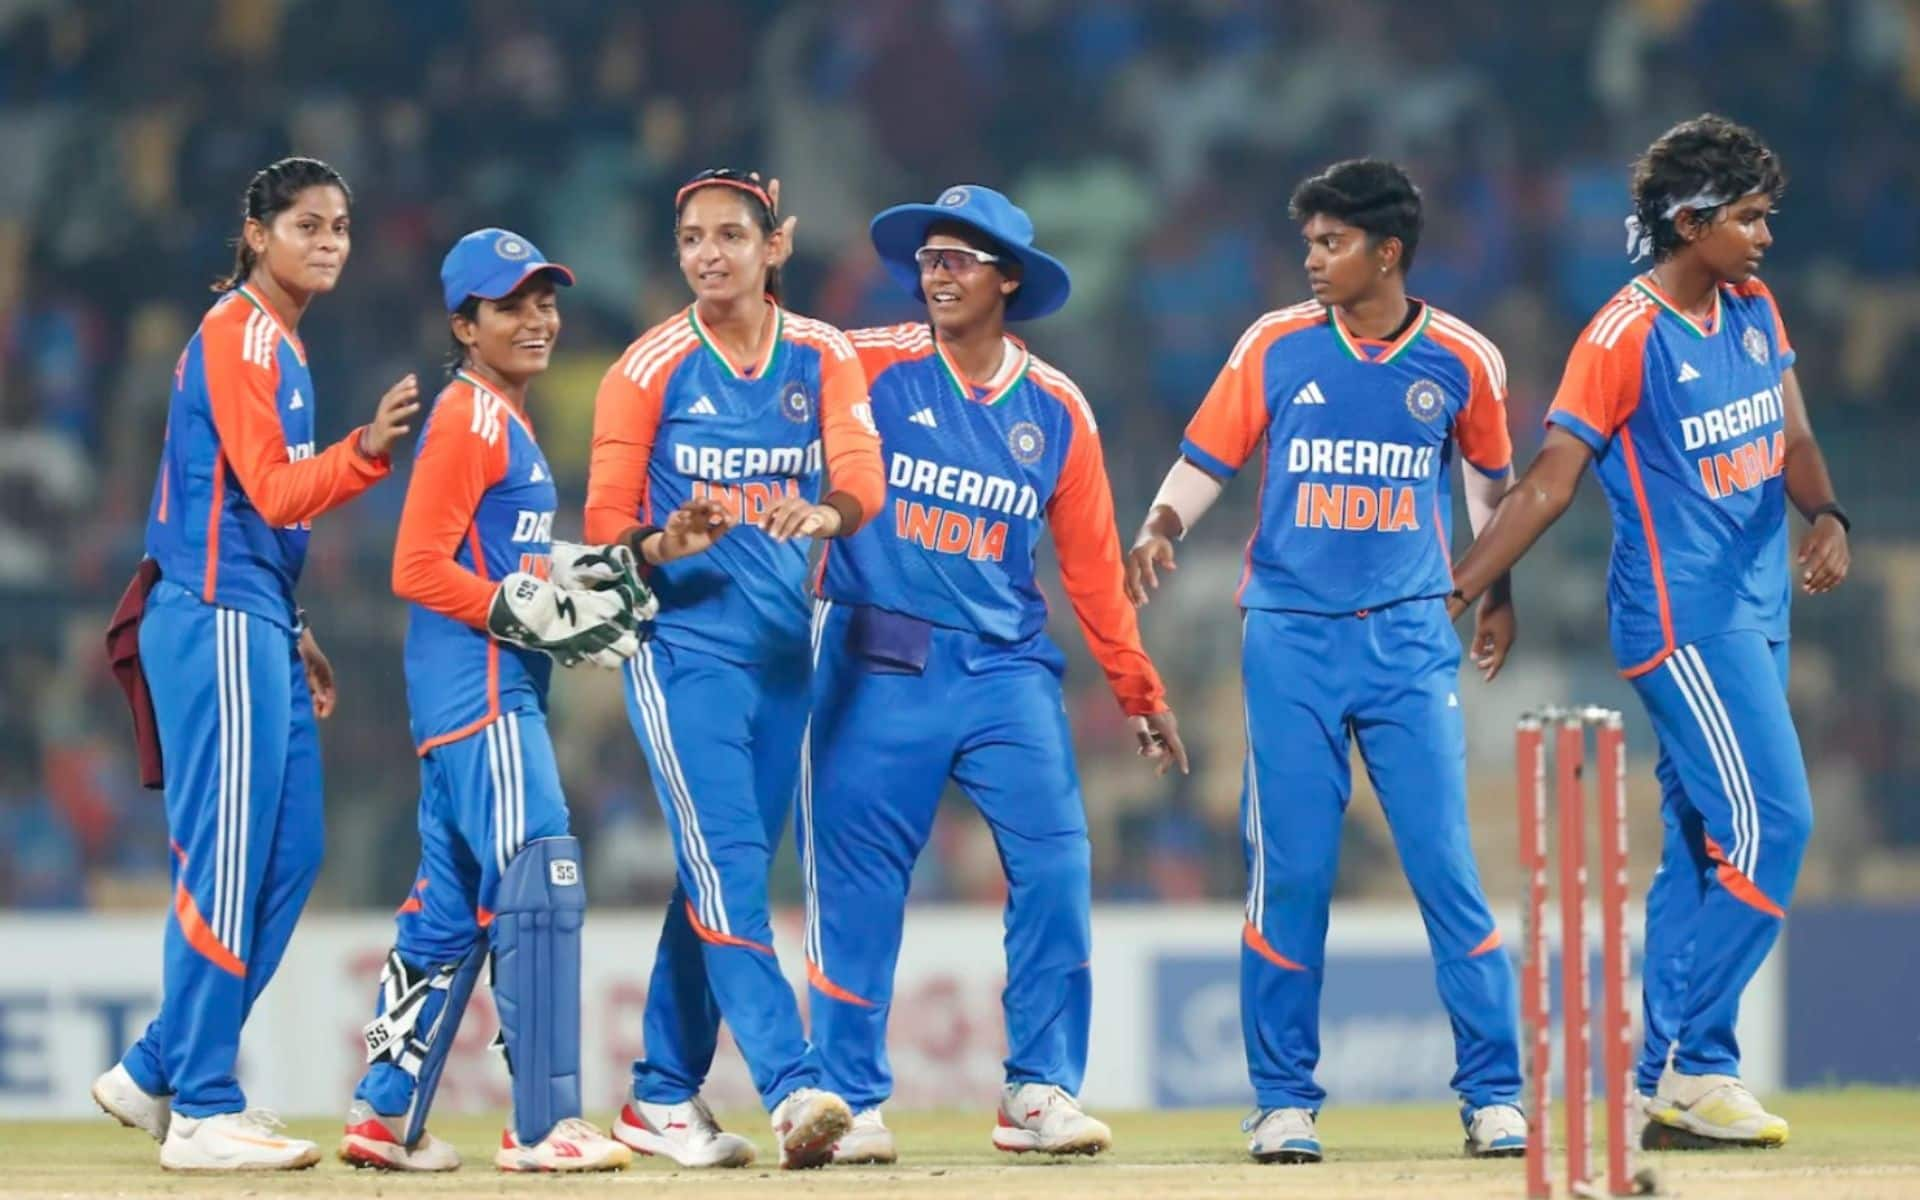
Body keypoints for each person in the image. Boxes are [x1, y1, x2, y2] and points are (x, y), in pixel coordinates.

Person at [1446, 114, 1848, 1148]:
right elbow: (1547, 487)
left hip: (1759, 612)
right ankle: (1693, 1061)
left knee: (1701, 851)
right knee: (1775, 826)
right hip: (1684, 622)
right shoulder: (1621, 336)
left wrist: (1829, 515)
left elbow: (1792, 435)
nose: (1764, 237)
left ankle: (1654, 1080)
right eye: (1750, 219)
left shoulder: (1754, 306)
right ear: (1690, 219)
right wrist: (1458, 588)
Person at [1126, 159, 1527, 1164]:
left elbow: (1495, 489)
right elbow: (1206, 459)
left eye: (1331, 242)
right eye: (1307, 241)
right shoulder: (1273, 344)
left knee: (1445, 866)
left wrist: (1496, 594)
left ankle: (1494, 1094)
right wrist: (1162, 523)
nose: (1311, 258)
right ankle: (1282, 1102)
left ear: (1387, 252)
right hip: (1290, 636)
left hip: (1406, 638)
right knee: (1291, 870)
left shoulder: (1466, 361)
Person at [805, 184, 1188, 1166]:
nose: (936, 273)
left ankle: (1038, 1093)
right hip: (878, 653)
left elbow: (1095, 570)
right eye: (927, 258)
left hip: (1006, 669)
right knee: (859, 886)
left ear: (1008, 279)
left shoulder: (1057, 407)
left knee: (1058, 863)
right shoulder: (866, 363)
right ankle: (849, 1098)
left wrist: (1137, 689)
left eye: (959, 259)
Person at [88, 156, 418, 1171]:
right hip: (215, 617)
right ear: (256, 232)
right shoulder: (238, 333)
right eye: (307, 224)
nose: (328, 242)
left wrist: (296, 619)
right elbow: (273, 492)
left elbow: (237, 505)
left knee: (288, 852)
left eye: (341, 227)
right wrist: (366, 450)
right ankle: (203, 1107)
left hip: (255, 615)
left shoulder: (277, 343)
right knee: (225, 856)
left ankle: (155, 1069)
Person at [585, 169, 885, 1170]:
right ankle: (795, 1088)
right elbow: (601, 536)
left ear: (775, 245)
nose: (710, 254)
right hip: (683, 652)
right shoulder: (649, 366)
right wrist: (666, 540)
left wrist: (830, 513)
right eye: (692, 239)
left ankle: (661, 1095)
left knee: (729, 875)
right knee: (727, 869)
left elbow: (860, 472)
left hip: (783, 659)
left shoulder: (823, 353)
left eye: (730, 235)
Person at [337, 229, 652, 1173]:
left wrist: (583, 574)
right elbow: (416, 564)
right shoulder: (472, 417)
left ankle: (384, 1114)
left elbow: (493, 559)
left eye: (546, 301)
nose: (538, 319)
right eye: (511, 305)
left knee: (449, 911)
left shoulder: (502, 418)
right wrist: (524, 606)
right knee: (543, 875)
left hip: (466, 695)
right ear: (464, 324)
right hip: (481, 690)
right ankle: (545, 1122)